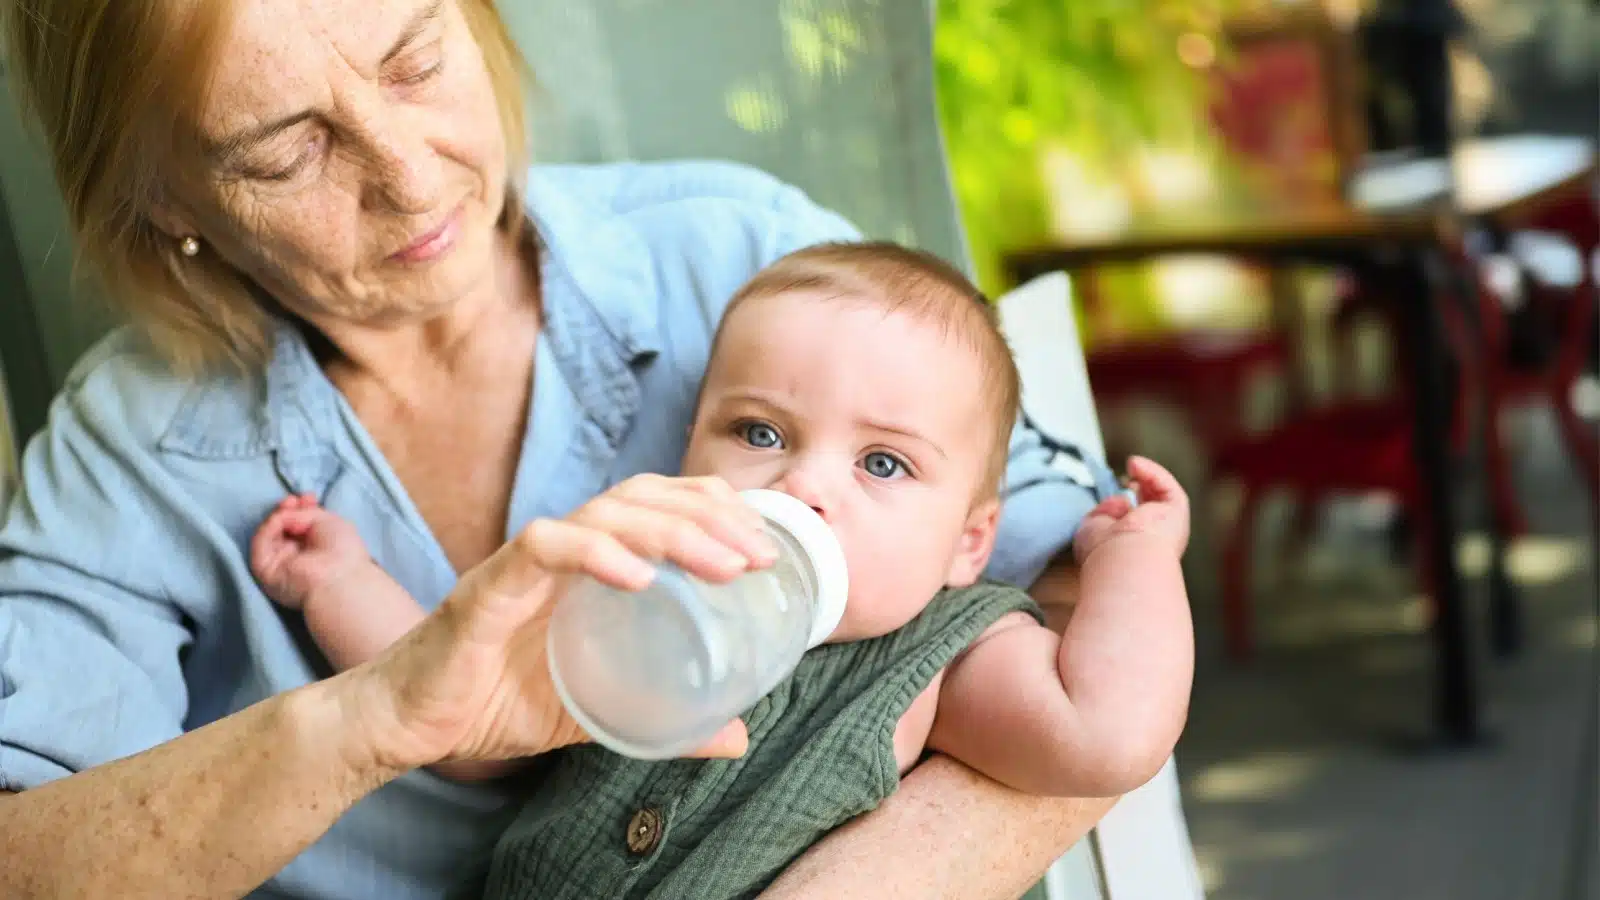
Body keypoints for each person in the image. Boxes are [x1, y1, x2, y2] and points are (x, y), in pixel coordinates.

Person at [0, 0, 1194, 898]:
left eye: (417, 60)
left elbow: (1083, 610)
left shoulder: (742, 262)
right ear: (168, 203)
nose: (412, 180)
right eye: (284, 150)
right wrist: (373, 716)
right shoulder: (136, 450)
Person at [249, 242, 1194, 897]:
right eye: (760, 432)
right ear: (688, 451)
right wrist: (340, 583)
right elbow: (464, 719)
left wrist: (1137, 563)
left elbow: (1105, 733)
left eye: (882, 463)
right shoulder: (638, 593)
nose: (803, 484)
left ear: (966, 543)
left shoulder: (943, 664)